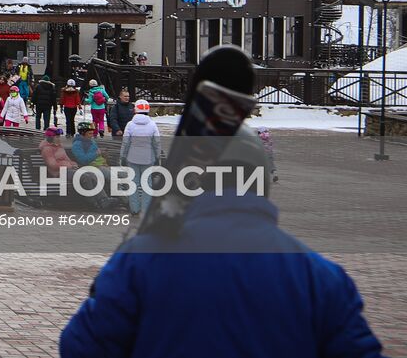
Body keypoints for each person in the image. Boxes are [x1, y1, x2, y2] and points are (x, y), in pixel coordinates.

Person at [60, 134, 383, 358]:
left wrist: (103, 285)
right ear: (263, 183)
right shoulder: (321, 277)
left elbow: (81, 347)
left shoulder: (141, 259)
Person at [119, 99, 161, 216]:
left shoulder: (130, 125)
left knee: (134, 183)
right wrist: (157, 156)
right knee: (147, 184)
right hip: (148, 158)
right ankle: (146, 209)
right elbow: (157, 142)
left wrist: (123, 156)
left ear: (135, 109)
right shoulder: (152, 124)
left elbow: (125, 142)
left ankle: (134, 209)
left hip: (132, 157)